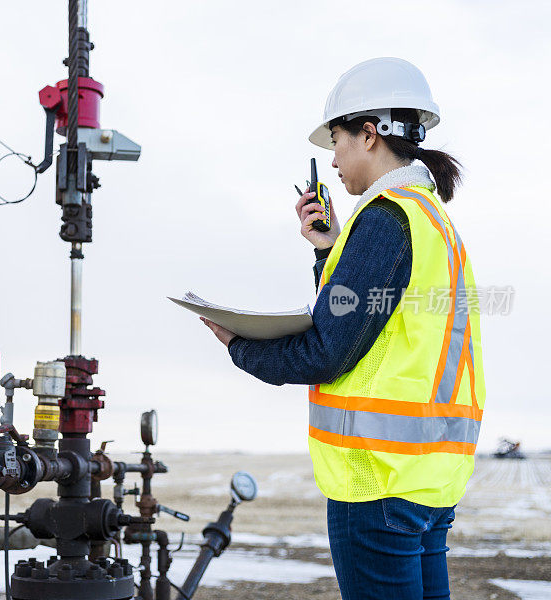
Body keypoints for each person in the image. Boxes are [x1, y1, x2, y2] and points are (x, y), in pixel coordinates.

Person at [201, 57, 485, 600]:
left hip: (376, 482)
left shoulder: (384, 218)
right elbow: (378, 319)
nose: (331, 160)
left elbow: (329, 349)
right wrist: (330, 251)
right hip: (429, 483)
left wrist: (239, 345)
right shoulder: (432, 220)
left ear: (369, 134)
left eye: (335, 141)